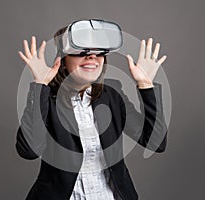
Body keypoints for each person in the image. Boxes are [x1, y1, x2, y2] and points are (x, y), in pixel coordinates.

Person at [16, 19, 168, 200]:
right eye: (81, 51)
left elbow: (155, 143)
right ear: (63, 59)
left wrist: (145, 85)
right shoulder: (46, 98)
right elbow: (29, 151)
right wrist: (40, 85)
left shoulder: (112, 95)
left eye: (99, 52)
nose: (92, 57)